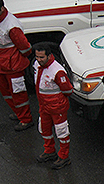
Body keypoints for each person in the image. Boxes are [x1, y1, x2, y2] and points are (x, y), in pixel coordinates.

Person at [0, 0, 33, 131]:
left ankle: (26, 119)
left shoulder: (12, 26)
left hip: (12, 66)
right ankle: (19, 113)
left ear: (2, 8)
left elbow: (25, 48)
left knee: (18, 93)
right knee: (6, 92)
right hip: (0, 64)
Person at [33, 42, 73, 170]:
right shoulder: (37, 65)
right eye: (37, 57)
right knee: (44, 128)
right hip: (44, 106)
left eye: (41, 57)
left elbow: (67, 90)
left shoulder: (58, 71)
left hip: (57, 107)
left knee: (62, 132)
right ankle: (49, 151)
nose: (39, 60)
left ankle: (64, 156)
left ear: (49, 56)